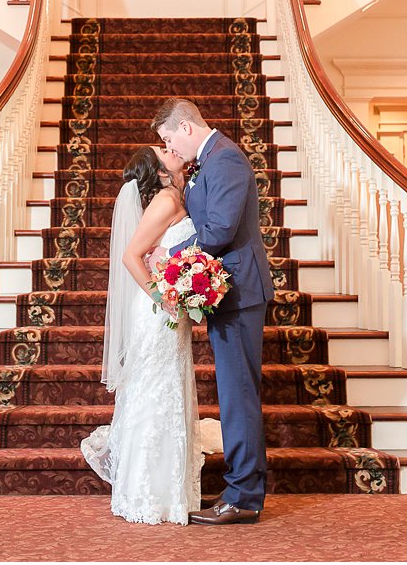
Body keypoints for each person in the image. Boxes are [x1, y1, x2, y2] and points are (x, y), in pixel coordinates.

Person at [79, 145, 221, 524]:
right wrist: (165, 296)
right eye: (164, 150)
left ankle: (170, 491)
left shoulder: (178, 194)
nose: (171, 149)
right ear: (160, 172)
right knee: (154, 390)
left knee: (169, 389)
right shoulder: (166, 199)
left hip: (167, 309)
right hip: (156, 311)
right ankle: (146, 492)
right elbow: (131, 256)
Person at [150, 96, 273, 525]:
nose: (171, 151)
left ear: (185, 127)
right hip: (227, 292)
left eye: (170, 140)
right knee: (233, 393)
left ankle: (244, 495)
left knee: (238, 396)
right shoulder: (209, 160)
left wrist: (171, 252)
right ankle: (239, 488)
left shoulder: (225, 160)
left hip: (240, 293)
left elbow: (218, 230)